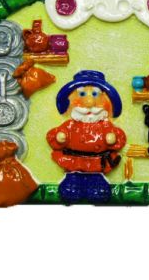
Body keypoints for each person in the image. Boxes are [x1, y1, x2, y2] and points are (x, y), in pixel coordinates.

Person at [47, 70, 126, 203]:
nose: (89, 102)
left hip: (97, 160)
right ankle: (73, 182)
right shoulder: (71, 124)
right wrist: (60, 137)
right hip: (74, 160)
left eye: (95, 94)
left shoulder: (105, 125)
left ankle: (96, 183)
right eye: (82, 94)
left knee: (97, 185)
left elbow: (118, 136)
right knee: (72, 184)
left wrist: (113, 138)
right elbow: (56, 135)